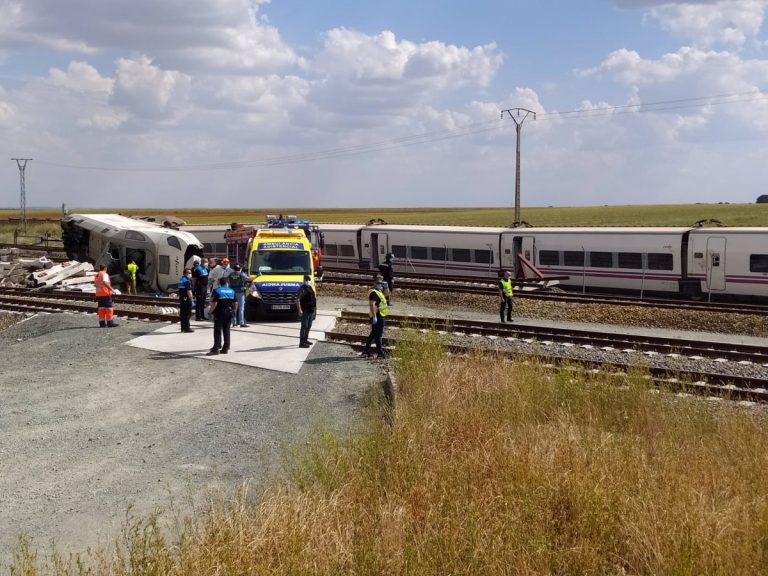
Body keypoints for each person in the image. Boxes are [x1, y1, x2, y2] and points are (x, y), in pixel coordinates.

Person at [361, 273, 388, 359]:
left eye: (382, 278)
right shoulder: (373, 292)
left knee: (373, 334)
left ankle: (366, 351)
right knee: (378, 335)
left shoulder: (379, 290)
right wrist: (374, 316)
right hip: (377, 315)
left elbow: (387, 295)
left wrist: (386, 287)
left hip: (380, 315)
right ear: (375, 280)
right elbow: (372, 304)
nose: (381, 280)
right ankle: (380, 353)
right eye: (379, 278)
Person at [208, 276, 237, 355]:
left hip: (220, 313)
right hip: (229, 312)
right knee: (226, 330)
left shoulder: (217, 290)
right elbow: (236, 303)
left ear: (219, 283)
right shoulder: (232, 291)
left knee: (217, 331)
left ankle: (216, 349)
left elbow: (214, 303)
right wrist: (234, 311)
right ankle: (225, 348)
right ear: (227, 283)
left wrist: (210, 312)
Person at [295, 274, 316, 348]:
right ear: (304, 281)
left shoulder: (310, 287)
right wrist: (300, 310)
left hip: (311, 310)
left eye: (308, 280)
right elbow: (297, 299)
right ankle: (301, 343)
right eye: (306, 280)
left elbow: (313, 298)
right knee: (304, 326)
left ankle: (306, 339)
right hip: (305, 310)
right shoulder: (302, 289)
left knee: (309, 325)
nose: (308, 281)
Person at [228, 263, 249, 328]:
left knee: (233, 308)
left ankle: (234, 322)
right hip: (240, 292)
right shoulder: (241, 274)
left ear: (234, 269)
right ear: (240, 269)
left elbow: (227, 281)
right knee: (241, 308)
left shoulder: (230, 275)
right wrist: (257, 276)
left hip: (232, 292)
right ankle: (241, 323)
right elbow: (249, 279)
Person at [177, 268, 194, 333]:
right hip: (187, 299)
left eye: (190, 273)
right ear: (184, 273)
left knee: (183, 314)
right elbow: (189, 291)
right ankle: (187, 328)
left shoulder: (181, 280)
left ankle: (182, 327)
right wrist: (192, 300)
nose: (190, 274)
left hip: (182, 299)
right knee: (187, 314)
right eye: (188, 273)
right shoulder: (187, 281)